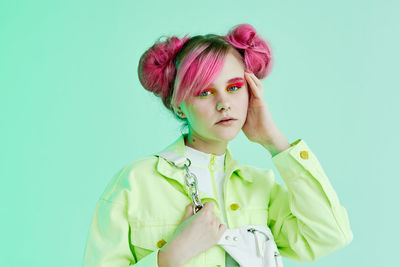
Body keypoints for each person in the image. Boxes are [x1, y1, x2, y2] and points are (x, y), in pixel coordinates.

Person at [82, 23, 353, 267]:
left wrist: (275, 142)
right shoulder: (135, 183)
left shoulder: (260, 188)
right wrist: (170, 257)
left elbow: (330, 235)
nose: (224, 103)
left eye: (234, 87)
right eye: (205, 92)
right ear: (179, 106)